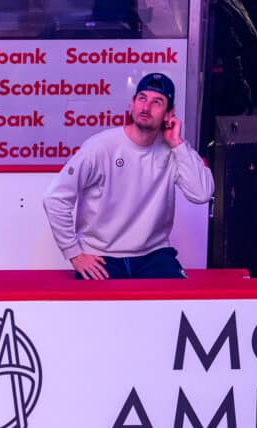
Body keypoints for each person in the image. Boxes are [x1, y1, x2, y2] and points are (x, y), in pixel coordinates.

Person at [43, 72, 214, 280]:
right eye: (142, 98)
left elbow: (202, 194)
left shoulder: (172, 150)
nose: (146, 107)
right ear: (132, 104)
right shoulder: (101, 147)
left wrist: (178, 144)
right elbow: (55, 198)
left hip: (153, 255)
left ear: (169, 114)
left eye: (157, 102)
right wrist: (74, 253)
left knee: (179, 298)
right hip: (101, 256)